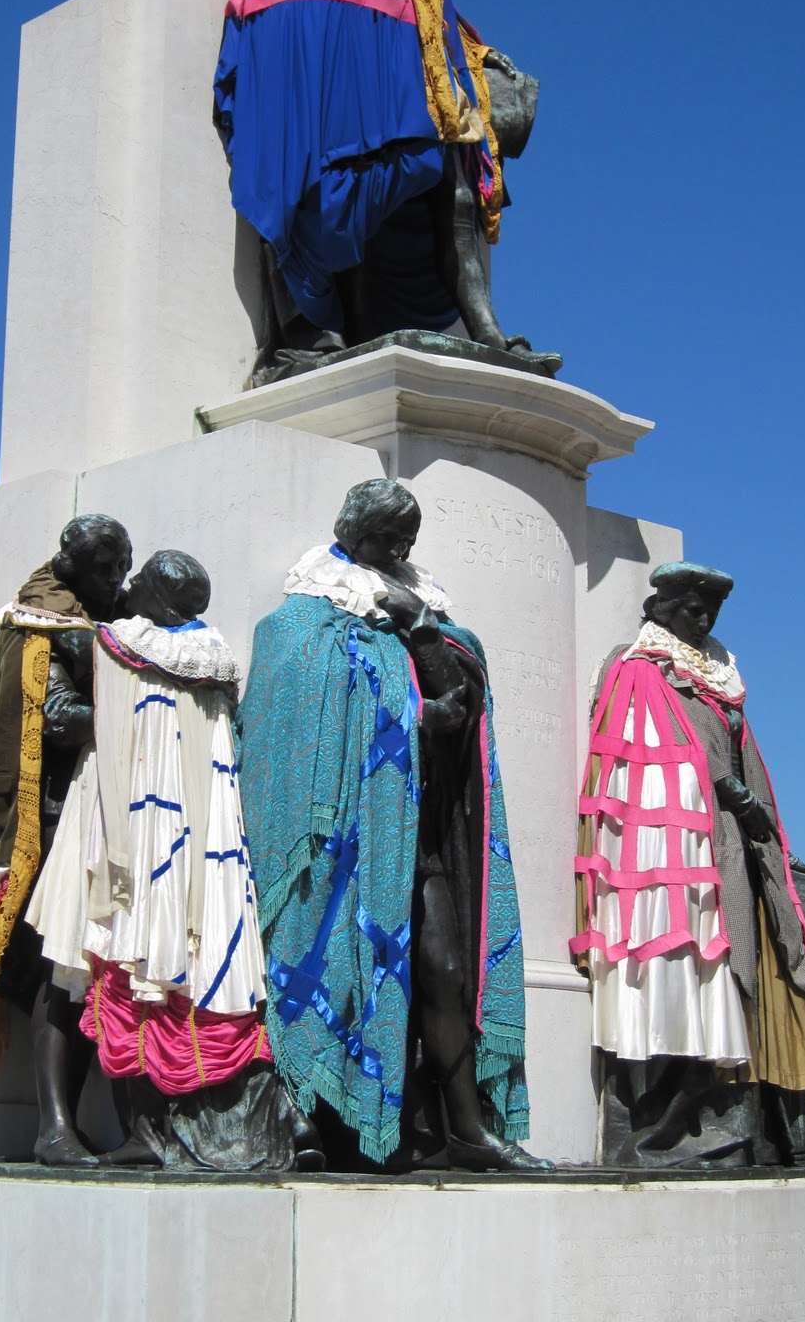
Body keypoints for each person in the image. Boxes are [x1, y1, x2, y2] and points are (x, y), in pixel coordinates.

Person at [238, 479, 544, 1170]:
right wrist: (412, 719)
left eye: (407, 540)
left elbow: (461, 695)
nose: (398, 550)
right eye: (386, 538)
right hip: (340, 839)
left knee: (444, 968)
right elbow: (295, 718)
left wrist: (420, 628)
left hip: (423, 832)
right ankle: (305, 1118)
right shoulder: (300, 619)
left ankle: (468, 1129)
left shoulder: (420, 608)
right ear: (350, 529)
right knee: (322, 967)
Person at [214, 0, 559, 378]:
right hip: (320, 54)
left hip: (398, 59)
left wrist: (477, 48)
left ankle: (487, 331)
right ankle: (310, 329)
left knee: (454, 180)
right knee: (307, 179)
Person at [28, 551, 316, 1170]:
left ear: (156, 600)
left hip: (129, 828)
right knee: (175, 965)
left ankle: (151, 1130)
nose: (126, 586)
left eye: (138, 581)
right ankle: (167, 1126)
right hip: (204, 837)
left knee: (117, 960)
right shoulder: (215, 665)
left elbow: (62, 718)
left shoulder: (114, 646)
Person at [570, 562, 805, 1166]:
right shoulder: (637, 668)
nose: (704, 620)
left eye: (711, 611)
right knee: (701, 974)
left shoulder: (719, 678)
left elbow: (739, 758)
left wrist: (750, 807)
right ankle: (690, 1130)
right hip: (681, 856)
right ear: (660, 608)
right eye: (693, 608)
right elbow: (642, 758)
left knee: (773, 964)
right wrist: (720, 787)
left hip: (742, 846)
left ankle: (772, 1129)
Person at [0, 513, 132, 1166]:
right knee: (58, 974)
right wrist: (150, 706)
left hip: (106, 820)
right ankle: (53, 1125)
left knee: (93, 972)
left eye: (122, 566)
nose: (115, 580)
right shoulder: (43, 623)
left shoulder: (109, 618)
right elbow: (57, 720)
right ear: (70, 564)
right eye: (104, 569)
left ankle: (80, 1122)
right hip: (55, 823)